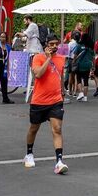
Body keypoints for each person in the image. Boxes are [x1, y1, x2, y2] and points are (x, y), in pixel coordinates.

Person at [24, 35, 68, 174]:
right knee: (33, 128)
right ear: (46, 45)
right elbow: (38, 74)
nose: (55, 46)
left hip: (55, 100)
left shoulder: (61, 59)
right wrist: (48, 59)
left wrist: (63, 89)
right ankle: (29, 153)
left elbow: (60, 75)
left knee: (57, 129)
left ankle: (59, 161)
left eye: (56, 44)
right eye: (52, 44)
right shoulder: (38, 58)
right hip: (39, 100)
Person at [69, 30, 93, 102]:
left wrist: (73, 62)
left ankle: (81, 93)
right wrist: (93, 66)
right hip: (87, 65)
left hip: (80, 65)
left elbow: (75, 56)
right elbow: (93, 57)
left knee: (79, 79)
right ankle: (85, 97)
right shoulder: (90, 47)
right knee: (86, 81)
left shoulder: (79, 46)